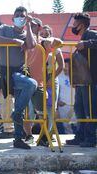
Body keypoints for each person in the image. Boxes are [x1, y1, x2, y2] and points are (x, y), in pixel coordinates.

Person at [0, 6, 37, 149]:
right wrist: (14, 41)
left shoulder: (26, 33)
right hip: (5, 72)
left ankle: (18, 138)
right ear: (12, 18)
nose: (20, 18)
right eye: (17, 15)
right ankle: (13, 119)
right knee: (28, 87)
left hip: (19, 72)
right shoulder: (4, 28)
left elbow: (32, 45)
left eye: (22, 16)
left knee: (20, 104)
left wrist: (29, 25)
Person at [66, 13, 97, 147]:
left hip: (90, 80)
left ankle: (90, 138)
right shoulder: (82, 38)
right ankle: (80, 136)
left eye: (74, 23)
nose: (73, 26)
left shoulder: (91, 34)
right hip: (81, 81)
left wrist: (86, 43)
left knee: (89, 110)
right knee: (80, 109)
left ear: (81, 25)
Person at [57, 58, 75, 134]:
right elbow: (56, 91)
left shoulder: (77, 76)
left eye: (67, 66)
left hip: (75, 105)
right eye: (64, 66)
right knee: (65, 126)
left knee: (76, 125)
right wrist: (57, 101)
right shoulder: (59, 77)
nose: (65, 68)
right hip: (63, 105)